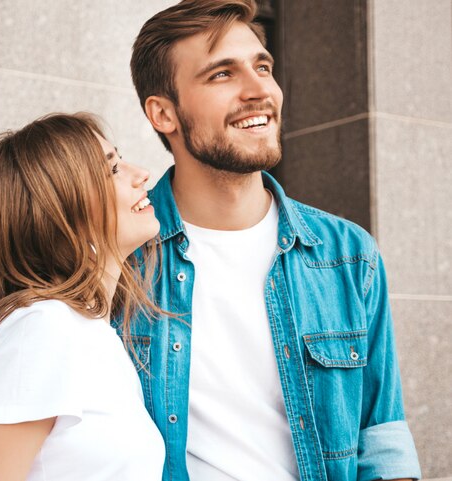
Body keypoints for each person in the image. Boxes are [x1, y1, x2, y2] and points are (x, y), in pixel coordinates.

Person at [116, 1, 422, 480]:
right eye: (222, 74)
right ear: (163, 113)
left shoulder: (347, 253)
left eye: (263, 67)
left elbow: (382, 441)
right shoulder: (119, 258)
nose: (260, 91)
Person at [0, 113, 165, 481]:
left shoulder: (86, 329)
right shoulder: (43, 329)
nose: (142, 174)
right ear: (59, 212)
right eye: (113, 170)